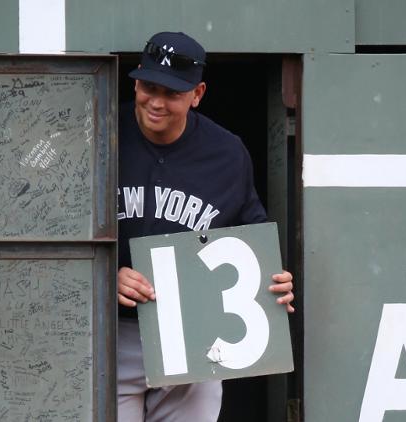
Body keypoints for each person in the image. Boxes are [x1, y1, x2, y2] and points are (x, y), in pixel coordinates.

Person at [117, 31, 294, 421]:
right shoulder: (102, 134)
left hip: (195, 336)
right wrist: (104, 276)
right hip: (114, 335)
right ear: (135, 81)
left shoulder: (226, 153)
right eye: (149, 87)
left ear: (197, 94)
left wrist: (272, 279)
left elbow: (250, 236)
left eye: (173, 93)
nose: (156, 102)